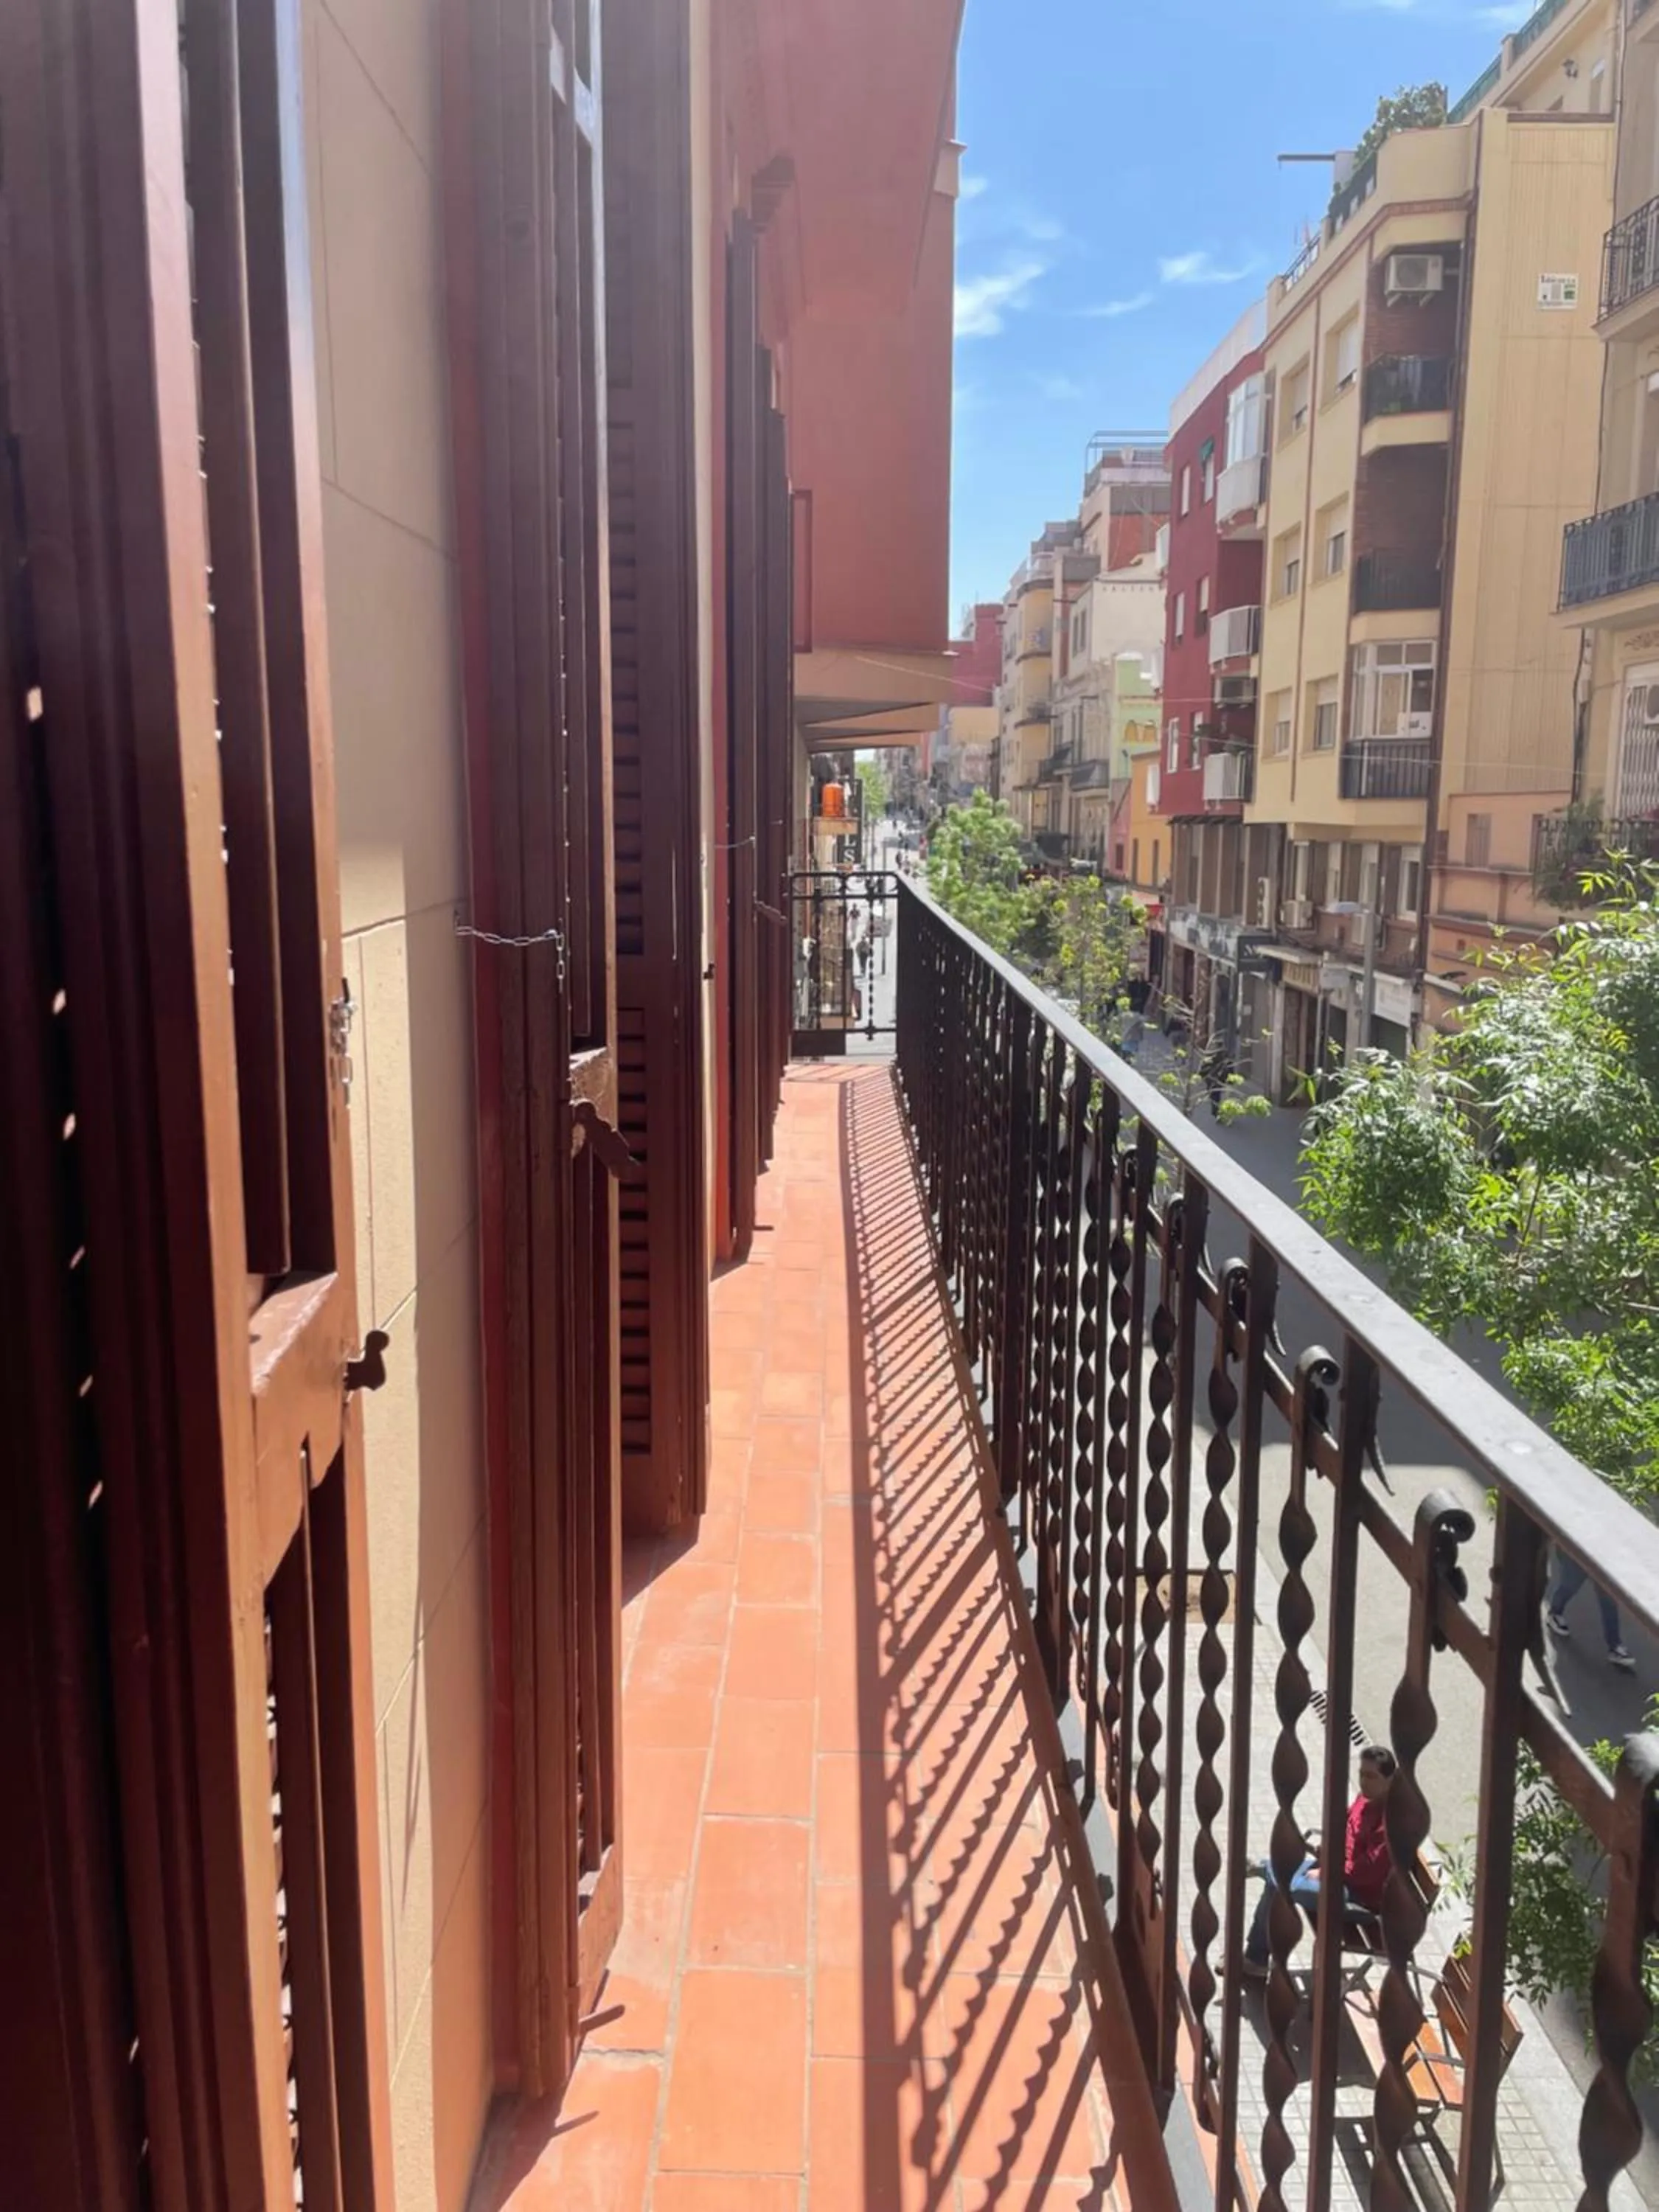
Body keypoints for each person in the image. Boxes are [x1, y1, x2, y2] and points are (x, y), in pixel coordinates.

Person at [1240, 1743, 1396, 1978]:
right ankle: (1255, 1958)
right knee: (1278, 1877)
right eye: (1362, 1774)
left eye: (1371, 1776)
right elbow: (1343, 1824)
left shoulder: (1389, 1823)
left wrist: (1328, 1872)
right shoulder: (1364, 1799)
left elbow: (1367, 1872)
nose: (1364, 1781)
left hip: (1355, 1898)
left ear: (1390, 1779)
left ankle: (1256, 1957)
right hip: (1333, 1870)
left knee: (1279, 1882)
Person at [1547, 1551, 1635, 1671]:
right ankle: (1555, 1612)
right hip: (1578, 1549)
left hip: (1603, 1556)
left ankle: (1615, 1646)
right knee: (1571, 1584)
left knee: (1608, 1599)